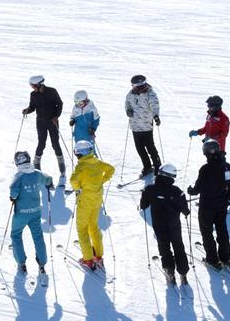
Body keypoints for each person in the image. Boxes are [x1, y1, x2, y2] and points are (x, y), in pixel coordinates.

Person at [187, 139, 230, 269]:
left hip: (207, 207)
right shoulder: (226, 166)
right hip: (221, 205)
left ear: (207, 153)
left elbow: (197, 189)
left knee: (207, 232)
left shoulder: (205, 169)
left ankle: (212, 260)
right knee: (222, 231)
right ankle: (225, 258)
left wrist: (191, 191)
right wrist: (228, 195)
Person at [140, 163, 191, 285]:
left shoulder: (150, 189)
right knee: (178, 246)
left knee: (164, 246)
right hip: (174, 224)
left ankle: (169, 271)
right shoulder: (177, 191)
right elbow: (186, 211)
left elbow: (143, 205)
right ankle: (183, 272)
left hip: (159, 224)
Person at [69, 140, 115, 270]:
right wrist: (101, 181)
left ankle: (88, 259)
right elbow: (111, 169)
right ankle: (99, 255)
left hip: (85, 202)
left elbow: (73, 180)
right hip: (97, 200)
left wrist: (78, 188)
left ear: (79, 154)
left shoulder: (81, 166)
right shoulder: (97, 162)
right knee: (93, 227)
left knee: (82, 229)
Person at [9, 150, 53, 275]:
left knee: (16, 234)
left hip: (21, 214)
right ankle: (42, 262)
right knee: (38, 236)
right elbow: (48, 179)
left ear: (17, 162)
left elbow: (13, 192)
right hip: (35, 212)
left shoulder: (19, 177)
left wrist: (13, 197)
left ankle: (21, 262)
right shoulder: (37, 173)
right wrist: (49, 184)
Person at [21, 75, 66, 186]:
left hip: (52, 121)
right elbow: (32, 107)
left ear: (39, 84)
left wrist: (56, 116)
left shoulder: (52, 91)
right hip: (41, 122)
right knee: (41, 143)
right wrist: (27, 110)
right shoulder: (33, 94)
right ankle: (37, 164)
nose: (32, 88)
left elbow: (59, 104)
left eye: (33, 86)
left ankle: (62, 167)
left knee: (55, 144)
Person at [125, 74, 162, 177]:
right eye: (135, 86)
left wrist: (156, 116)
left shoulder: (150, 93)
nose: (138, 88)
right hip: (135, 126)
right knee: (140, 148)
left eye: (140, 86)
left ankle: (158, 166)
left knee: (150, 147)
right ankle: (147, 166)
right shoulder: (131, 93)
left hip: (146, 126)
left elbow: (154, 105)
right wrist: (128, 110)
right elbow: (127, 103)